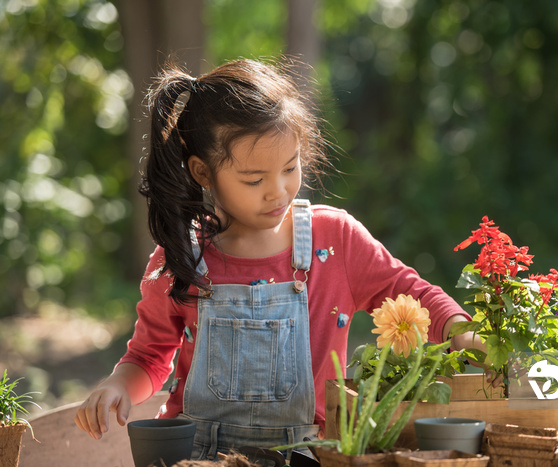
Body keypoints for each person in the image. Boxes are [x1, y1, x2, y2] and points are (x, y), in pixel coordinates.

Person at [73, 58, 484, 460]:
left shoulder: (334, 239)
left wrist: (460, 329)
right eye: (254, 180)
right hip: (197, 455)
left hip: (307, 453)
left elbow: (409, 291)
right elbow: (149, 357)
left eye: (290, 167)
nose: (278, 191)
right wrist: (118, 387)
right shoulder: (182, 253)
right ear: (202, 172)